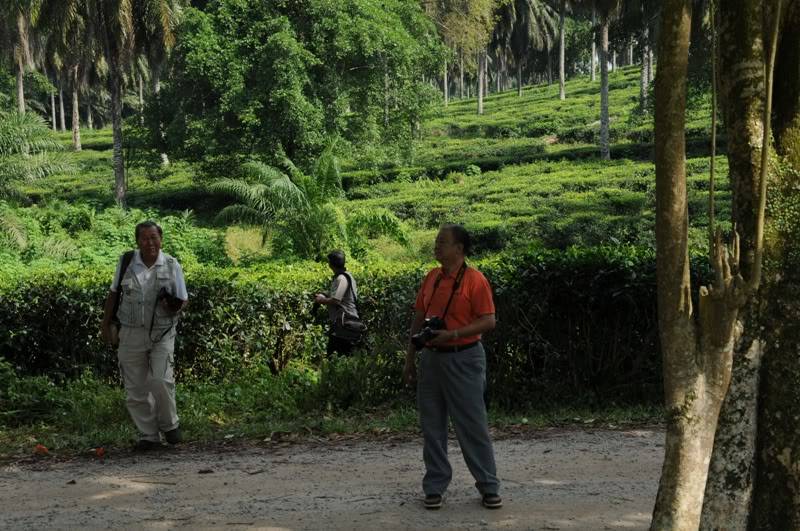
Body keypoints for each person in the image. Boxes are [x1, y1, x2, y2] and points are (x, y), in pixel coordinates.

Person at [403, 224, 501, 510]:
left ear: (459, 249)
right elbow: (419, 319)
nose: (436, 246)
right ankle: (434, 487)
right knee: (432, 425)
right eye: (436, 241)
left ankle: (488, 486)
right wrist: (410, 358)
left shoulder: (475, 280)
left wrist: (454, 334)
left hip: (465, 357)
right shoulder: (431, 278)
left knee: (471, 424)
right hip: (431, 360)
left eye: (442, 242)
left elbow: (489, 320)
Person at [101, 221, 188, 451]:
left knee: (160, 379)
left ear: (161, 239)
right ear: (137, 241)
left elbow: (183, 299)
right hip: (130, 332)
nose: (150, 243)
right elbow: (113, 294)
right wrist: (105, 324)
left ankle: (170, 425)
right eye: (145, 238)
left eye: (154, 238)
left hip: (162, 332)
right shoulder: (126, 262)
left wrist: (173, 305)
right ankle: (149, 436)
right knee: (135, 389)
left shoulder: (171, 265)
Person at [314, 250, 359, 356]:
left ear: (331, 264)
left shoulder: (341, 278)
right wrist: (325, 294)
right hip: (345, 323)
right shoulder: (347, 276)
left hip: (344, 324)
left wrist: (321, 300)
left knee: (334, 356)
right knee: (343, 357)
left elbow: (336, 300)